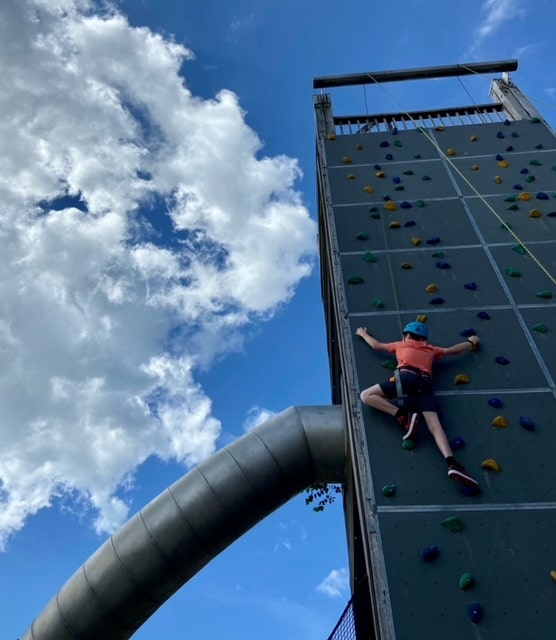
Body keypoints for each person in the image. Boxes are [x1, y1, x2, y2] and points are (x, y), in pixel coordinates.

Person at [356, 321, 480, 489]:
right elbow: (454, 350)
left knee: (366, 395)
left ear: (407, 335)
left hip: (405, 377)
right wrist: (471, 341)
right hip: (424, 384)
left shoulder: (401, 344)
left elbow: (377, 346)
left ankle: (401, 414)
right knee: (435, 425)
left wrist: (363, 334)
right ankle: (452, 463)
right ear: (424, 338)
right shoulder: (431, 349)